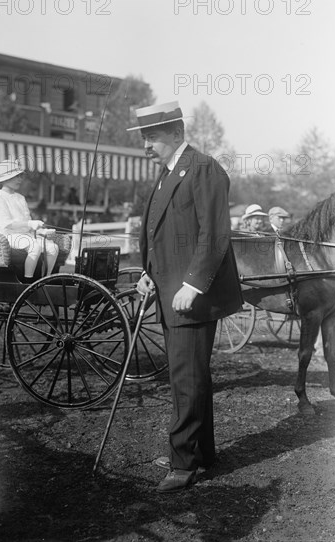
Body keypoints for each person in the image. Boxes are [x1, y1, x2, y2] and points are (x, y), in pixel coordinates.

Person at [128, 101, 243, 493]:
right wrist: (147, 273)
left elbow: (214, 234)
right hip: (169, 291)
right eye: (143, 137)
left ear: (177, 133)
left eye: (152, 136)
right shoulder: (166, 174)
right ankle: (200, 453)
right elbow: (161, 234)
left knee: (187, 377)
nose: (146, 144)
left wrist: (193, 284)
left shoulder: (203, 167)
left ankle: (185, 463)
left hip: (191, 296)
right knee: (191, 376)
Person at [0, 159, 59, 283]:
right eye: (15, 176)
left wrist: (41, 230)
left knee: (53, 247)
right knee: (34, 246)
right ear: (4, 179)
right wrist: (30, 224)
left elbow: (27, 222)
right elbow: (7, 224)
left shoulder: (20, 198)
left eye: (20, 176)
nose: (19, 179)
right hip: (8, 236)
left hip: (26, 235)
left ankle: (46, 279)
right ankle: (27, 283)